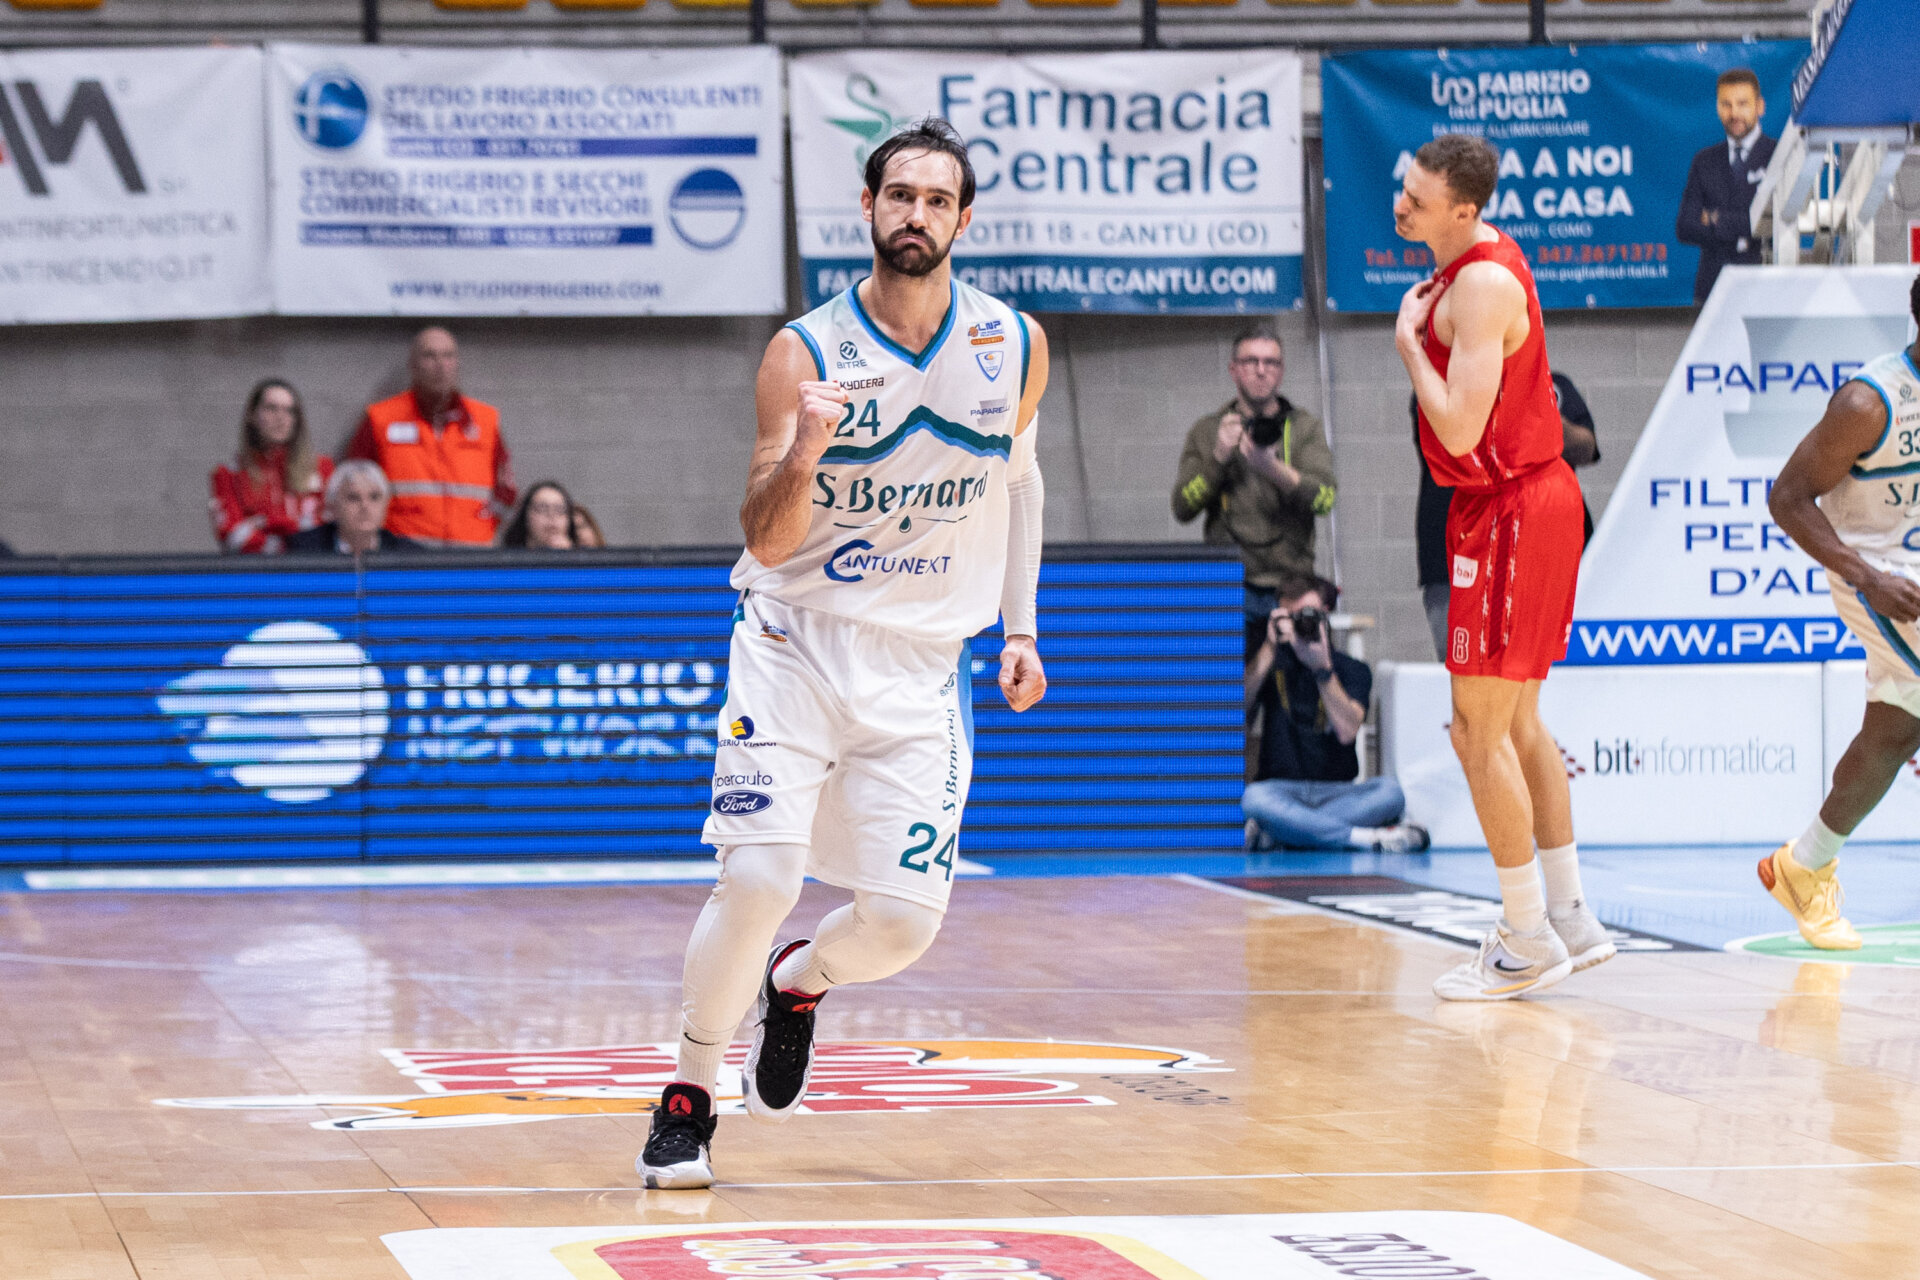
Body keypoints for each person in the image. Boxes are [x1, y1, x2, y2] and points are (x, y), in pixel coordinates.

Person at [637, 118, 1049, 1191]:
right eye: (898, 194)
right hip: (794, 647)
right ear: (867, 211)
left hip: (923, 667)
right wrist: (811, 445)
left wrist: (1021, 626)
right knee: (763, 872)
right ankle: (689, 1090)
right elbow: (765, 535)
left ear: (964, 220)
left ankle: (802, 982)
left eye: (937, 197)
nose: (916, 213)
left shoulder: (1013, 343)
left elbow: (1019, 483)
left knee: (904, 924)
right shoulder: (804, 350)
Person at [1393, 134, 1615, 1001]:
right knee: (1519, 723)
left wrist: (1409, 344)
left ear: (1465, 210)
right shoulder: (1466, 270)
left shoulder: (1479, 285)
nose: (1402, 203)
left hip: (1512, 507)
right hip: (1526, 502)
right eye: (1403, 187)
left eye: (1417, 195)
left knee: (1475, 730)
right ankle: (1568, 916)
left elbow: (1455, 428)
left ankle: (1525, 937)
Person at [1759, 274, 1920, 950]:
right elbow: (1788, 498)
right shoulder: (1868, 402)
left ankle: (1806, 863)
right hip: (1882, 578)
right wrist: (1865, 575)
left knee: (1895, 731)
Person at [1171, 325, 1337, 656]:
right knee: (1229, 699)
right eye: (1251, 361)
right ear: (1233, 369)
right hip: (1230, 585)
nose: (1261, 371)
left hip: (1292, 583)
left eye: (1270, 362)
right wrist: (1218, 457)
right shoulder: (1209, 430)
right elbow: (1182, 507)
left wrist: (1272, 469)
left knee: (1293, 701)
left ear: (1281, 370)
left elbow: (1325, 499)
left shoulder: (1304, 428)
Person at [1413, 372, 1600, 660]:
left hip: (1544, 562)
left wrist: (1541, 412)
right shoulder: (1440, 386)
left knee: (1552, 672)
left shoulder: (1552, 385)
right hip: (1461, 561)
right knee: (1468, 676)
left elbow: (1586, 447)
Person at [1243, 578, 1428, 852]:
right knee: (1253, 799)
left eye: (1308, 615)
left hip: (1338, 792)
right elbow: (1236, 709)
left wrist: (1322, 669)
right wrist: (1269, 648)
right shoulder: (1271, 663)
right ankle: (1360, 838)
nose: (1300, 624)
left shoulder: (1352, 669)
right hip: (1279, 789)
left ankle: (1286, 833)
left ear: (1326, 614)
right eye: (1291, 617)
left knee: (1390, 793)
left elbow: (1347, 731)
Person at [345, 327, 516, 547]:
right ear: (413, 365)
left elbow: (506, 490)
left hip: (472, 556)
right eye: (430, 356)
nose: (440, 365)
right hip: (403, 556)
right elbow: (352, 485)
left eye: (448, 356)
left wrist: (482, 525)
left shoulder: (485, 420)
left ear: (456, 364)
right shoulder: (381, 418)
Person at [1676, 68, 1776, 305]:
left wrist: (1715, 218)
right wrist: (1747, 224)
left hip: (1763, 287)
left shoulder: (1778, 156)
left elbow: (1776, 223)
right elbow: (1686, 226)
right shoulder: (1705, 160)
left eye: (1742, 104)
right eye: (1726, 104)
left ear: (1759, 106)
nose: (1734, 113)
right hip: (1712, 288)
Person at [209, 379, 332, 555]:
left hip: (311, 573)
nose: (280, 417)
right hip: (255, 575)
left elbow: (331, 530)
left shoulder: (322, 468)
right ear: (252, 415)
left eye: (289, 411)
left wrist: (264, 522)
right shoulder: (228, 474)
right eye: (271, 408)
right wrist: (293, 539)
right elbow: (233, 536)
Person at [286, 459, 417, 555]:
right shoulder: (304, 550)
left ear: (386, 505)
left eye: (374, 497)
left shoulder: (408, 555)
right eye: (353, 498)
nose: (365, 506)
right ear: (332, 507)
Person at [500, 481, 577, 550]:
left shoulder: (582, 561)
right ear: (525, 516)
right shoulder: (505, 561)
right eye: (542, 508)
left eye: (559, 510)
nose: (552, 515)